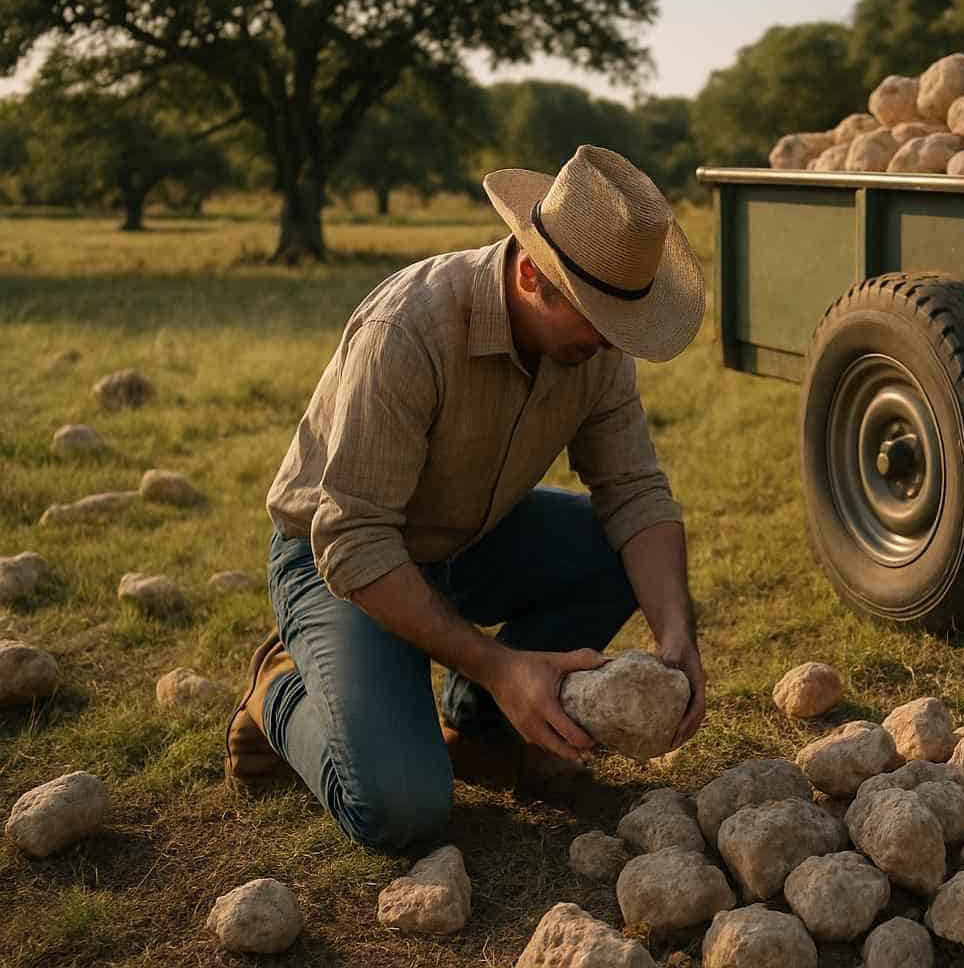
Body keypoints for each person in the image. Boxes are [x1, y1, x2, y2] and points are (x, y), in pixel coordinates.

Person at [224, 145, 707, 851]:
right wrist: (500, 663)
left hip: (472, 538)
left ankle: (479, 728)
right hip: (344, 561)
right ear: (534, 273)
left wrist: (677, 635)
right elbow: (353, 538)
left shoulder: (597, 353)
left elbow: (635, 492)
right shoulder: (409, 329)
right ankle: (279, 692)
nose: (612, 345)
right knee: (401, 810)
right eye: (597, 320)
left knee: (615, 550)